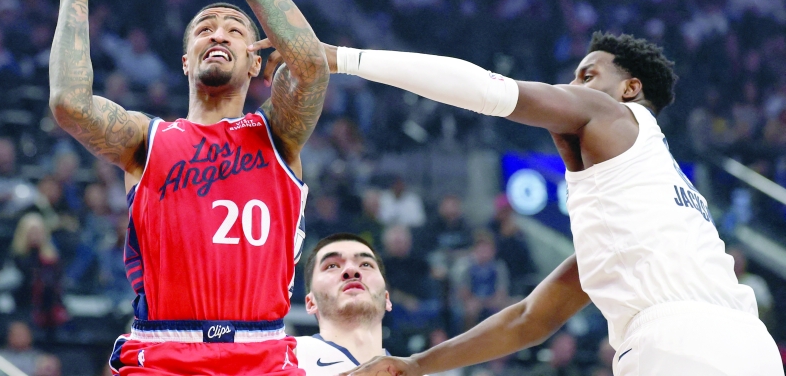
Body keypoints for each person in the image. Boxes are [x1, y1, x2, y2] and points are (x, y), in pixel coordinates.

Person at [257, 33, 780, 375]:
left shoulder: (613, 116)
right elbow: (530, 318)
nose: (572, 87)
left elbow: (491, 91)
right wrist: (415, 366)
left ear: (630, 88)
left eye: (587, 75)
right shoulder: (651, 201)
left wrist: (340, 58)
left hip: (674, 347)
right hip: (752, 350)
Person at [48, 0, 329, 375]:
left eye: (233, 29)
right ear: (185, 60)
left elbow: (309, 64)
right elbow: (70, 103)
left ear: (256, 62)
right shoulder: (147, 139)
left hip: (261, 355)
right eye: (204, 27)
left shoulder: (278, 134)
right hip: (162, 353)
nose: (218, 33)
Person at [295, 234, 391, 374]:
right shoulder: (286, 356)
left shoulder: (417, 371)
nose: (351, 271)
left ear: (386, 298)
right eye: (332, 265)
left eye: (366, 264)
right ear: (311, 302)